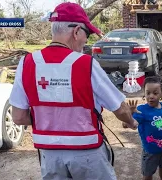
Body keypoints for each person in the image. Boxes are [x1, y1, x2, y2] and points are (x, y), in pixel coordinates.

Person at [9, 2, 138, 180]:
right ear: (76, 31)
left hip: (49, 154)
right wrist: (131, 122)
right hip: (88, 153)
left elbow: (18, 117)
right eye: (87, 34)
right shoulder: (86, 64)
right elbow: (121, 109)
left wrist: (51, 122)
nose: (86, 40)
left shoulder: (26, 64)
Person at [123, 76, 162, 180]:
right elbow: (128, 125)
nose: (151, 96)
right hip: (150, 151)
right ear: (144, 94)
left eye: (155, 93)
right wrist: (129, 114)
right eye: (148, 93)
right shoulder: (141, 111)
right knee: (148, 175)